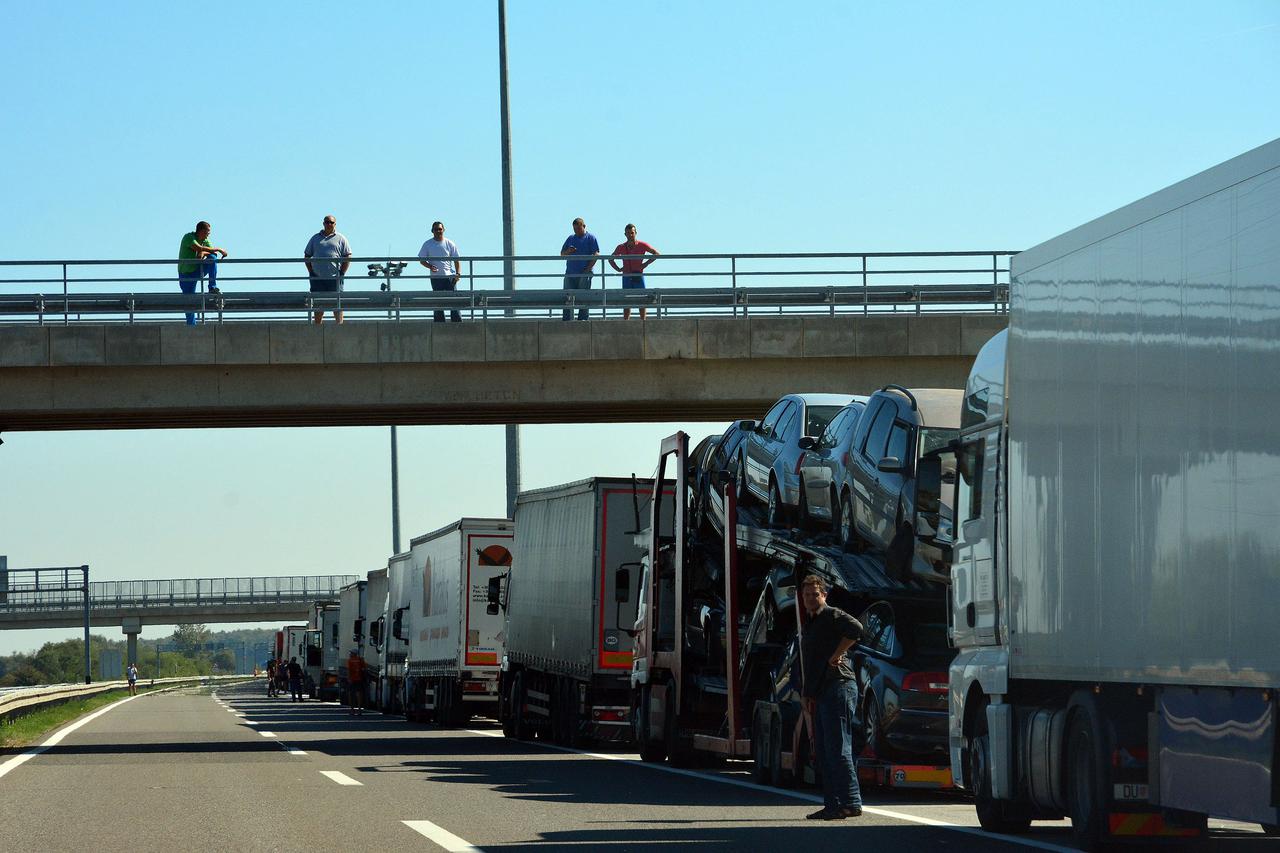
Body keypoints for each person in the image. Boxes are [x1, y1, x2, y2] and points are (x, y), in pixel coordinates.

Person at [798, 574, 864, 820]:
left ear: (823, 595)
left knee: (838, 748)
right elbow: (810, 663)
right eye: (807, 595)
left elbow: (857, 629)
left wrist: (837, 654)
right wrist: (806, 693)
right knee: (825, 751)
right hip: (821, 691)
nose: (811, 598)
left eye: (815, 594)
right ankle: (833, 805)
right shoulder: (811, 623)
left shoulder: (831, 614)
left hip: (839, 686)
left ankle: (851, 803)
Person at [303, 215, 352, 324]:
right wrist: (311, 271)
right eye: (327, 222)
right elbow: (307, 255)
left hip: (335, 277)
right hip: (317, 277)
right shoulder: (315, 238)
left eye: (331, 222)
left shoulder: (341, 238)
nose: (329, 224)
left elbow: (348, 255)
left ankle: (339, 326)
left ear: (335, 224)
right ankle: (317, 328)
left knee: (337, 303)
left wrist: (342, 272)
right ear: (323, 223)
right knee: (318, 304)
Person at [177, 221, 228, 326]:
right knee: (189, 301)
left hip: (197, 269)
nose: (207, 236)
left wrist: (204, 253)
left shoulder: (206, 241)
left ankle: (212, 287)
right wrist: (218, 249)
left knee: (212, 258)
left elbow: (211, 253)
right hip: (186, 274)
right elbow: (199, 248)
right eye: (206, 233)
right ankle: (191, 326)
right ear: (200, 231)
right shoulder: (189, 237)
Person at [608, 223, 660, 320]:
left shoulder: (642, 245)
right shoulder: (621, 247)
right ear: (625, 234)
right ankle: (626, 322)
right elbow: (610, 259)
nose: (630, 235)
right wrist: (618, 269)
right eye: (628, 233)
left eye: (632, 233)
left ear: (636, 233)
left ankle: (643, 321)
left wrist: (646, 264)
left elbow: (656, 254)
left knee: (642, 300)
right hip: (627, 276)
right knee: (626, 301)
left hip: (638, 275)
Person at [418, 221, 463, 323]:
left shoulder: (450, 243)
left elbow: (457, 260)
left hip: (449, 277)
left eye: (440, 229)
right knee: (438, 302)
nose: (438, 231)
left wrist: (458, 274)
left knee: (454, 303)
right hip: (436, 277)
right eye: (436, 229)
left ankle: (457, 324)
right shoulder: (427, 244)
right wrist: (430, 266)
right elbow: (422, 260)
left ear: (443, 230)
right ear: (432, 231)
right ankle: (439, 324)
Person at [560, 217, 599, 321]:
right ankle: (567, 319)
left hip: (584, 273)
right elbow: (562, 254)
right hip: (570, 273)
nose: (576, 231)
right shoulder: (570, 238)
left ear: (584, 226)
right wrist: (569, 251)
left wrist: (588, 269)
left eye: (578, 229)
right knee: (568, 296)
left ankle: (583, 319)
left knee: (584, 297)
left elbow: (596, 254)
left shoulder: (591, 238)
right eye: (575, 229)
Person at [346, 650, 366, 716]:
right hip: (359, 679)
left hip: (352, 679)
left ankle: (352, 710)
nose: (350, 654)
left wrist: (349, 678)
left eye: (351, 653)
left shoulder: (350, 661)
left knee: (351, 695)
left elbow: (349, 670)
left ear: (353, 654)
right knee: (359, 694)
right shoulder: (360, 660)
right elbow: (363, 669)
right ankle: (359, 710)